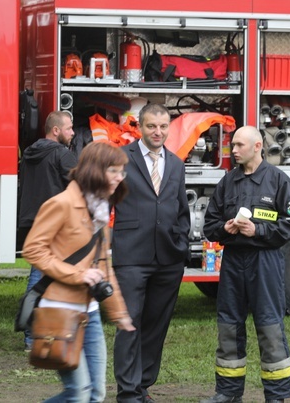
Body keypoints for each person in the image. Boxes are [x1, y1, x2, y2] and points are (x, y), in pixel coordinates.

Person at [23, 141, 135, 403]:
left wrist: (120, 314)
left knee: (96, 393)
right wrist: (77, 275)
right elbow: (33, 250)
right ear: (95, 170)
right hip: (59, 310)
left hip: (90, 314)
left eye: (122, 172)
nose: (120, 178)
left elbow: (104, 268)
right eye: (114, 171)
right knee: (79, 394)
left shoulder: (100, 210)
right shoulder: (61, 204)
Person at [201, 126, 290, 403]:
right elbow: (210, 225)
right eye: (233, 145)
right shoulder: (227, 182)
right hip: (233, 261)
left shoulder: (278, 181)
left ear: (257, 146)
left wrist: (258, 231)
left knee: (270, 327)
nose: (233, 150)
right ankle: (228, 392)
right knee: (229, 326)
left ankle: (276, 396)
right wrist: (225, 228)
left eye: (239, 145)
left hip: (264, 261)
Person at [112, 103, 190, 403]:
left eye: (163, 126)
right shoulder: (121, 158)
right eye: (151, 126)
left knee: (156, 326)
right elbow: (103, 200)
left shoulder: (176, 163)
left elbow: (181, 209)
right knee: (129, 323)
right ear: (139, 127)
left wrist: (181, 244)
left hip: (168, 258)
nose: (158, 132)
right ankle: (128, 392)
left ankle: (143, 386)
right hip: (131, 256)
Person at [18, 111, 76, 351]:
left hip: (33, 222)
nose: (73, 133)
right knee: (51, 279)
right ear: (56, 130)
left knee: (41, 277)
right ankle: (36, 336)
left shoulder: (30, 153)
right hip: (55, 226)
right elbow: (80, 187)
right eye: (70, 128)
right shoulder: (63, 155)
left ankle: (38, 334)